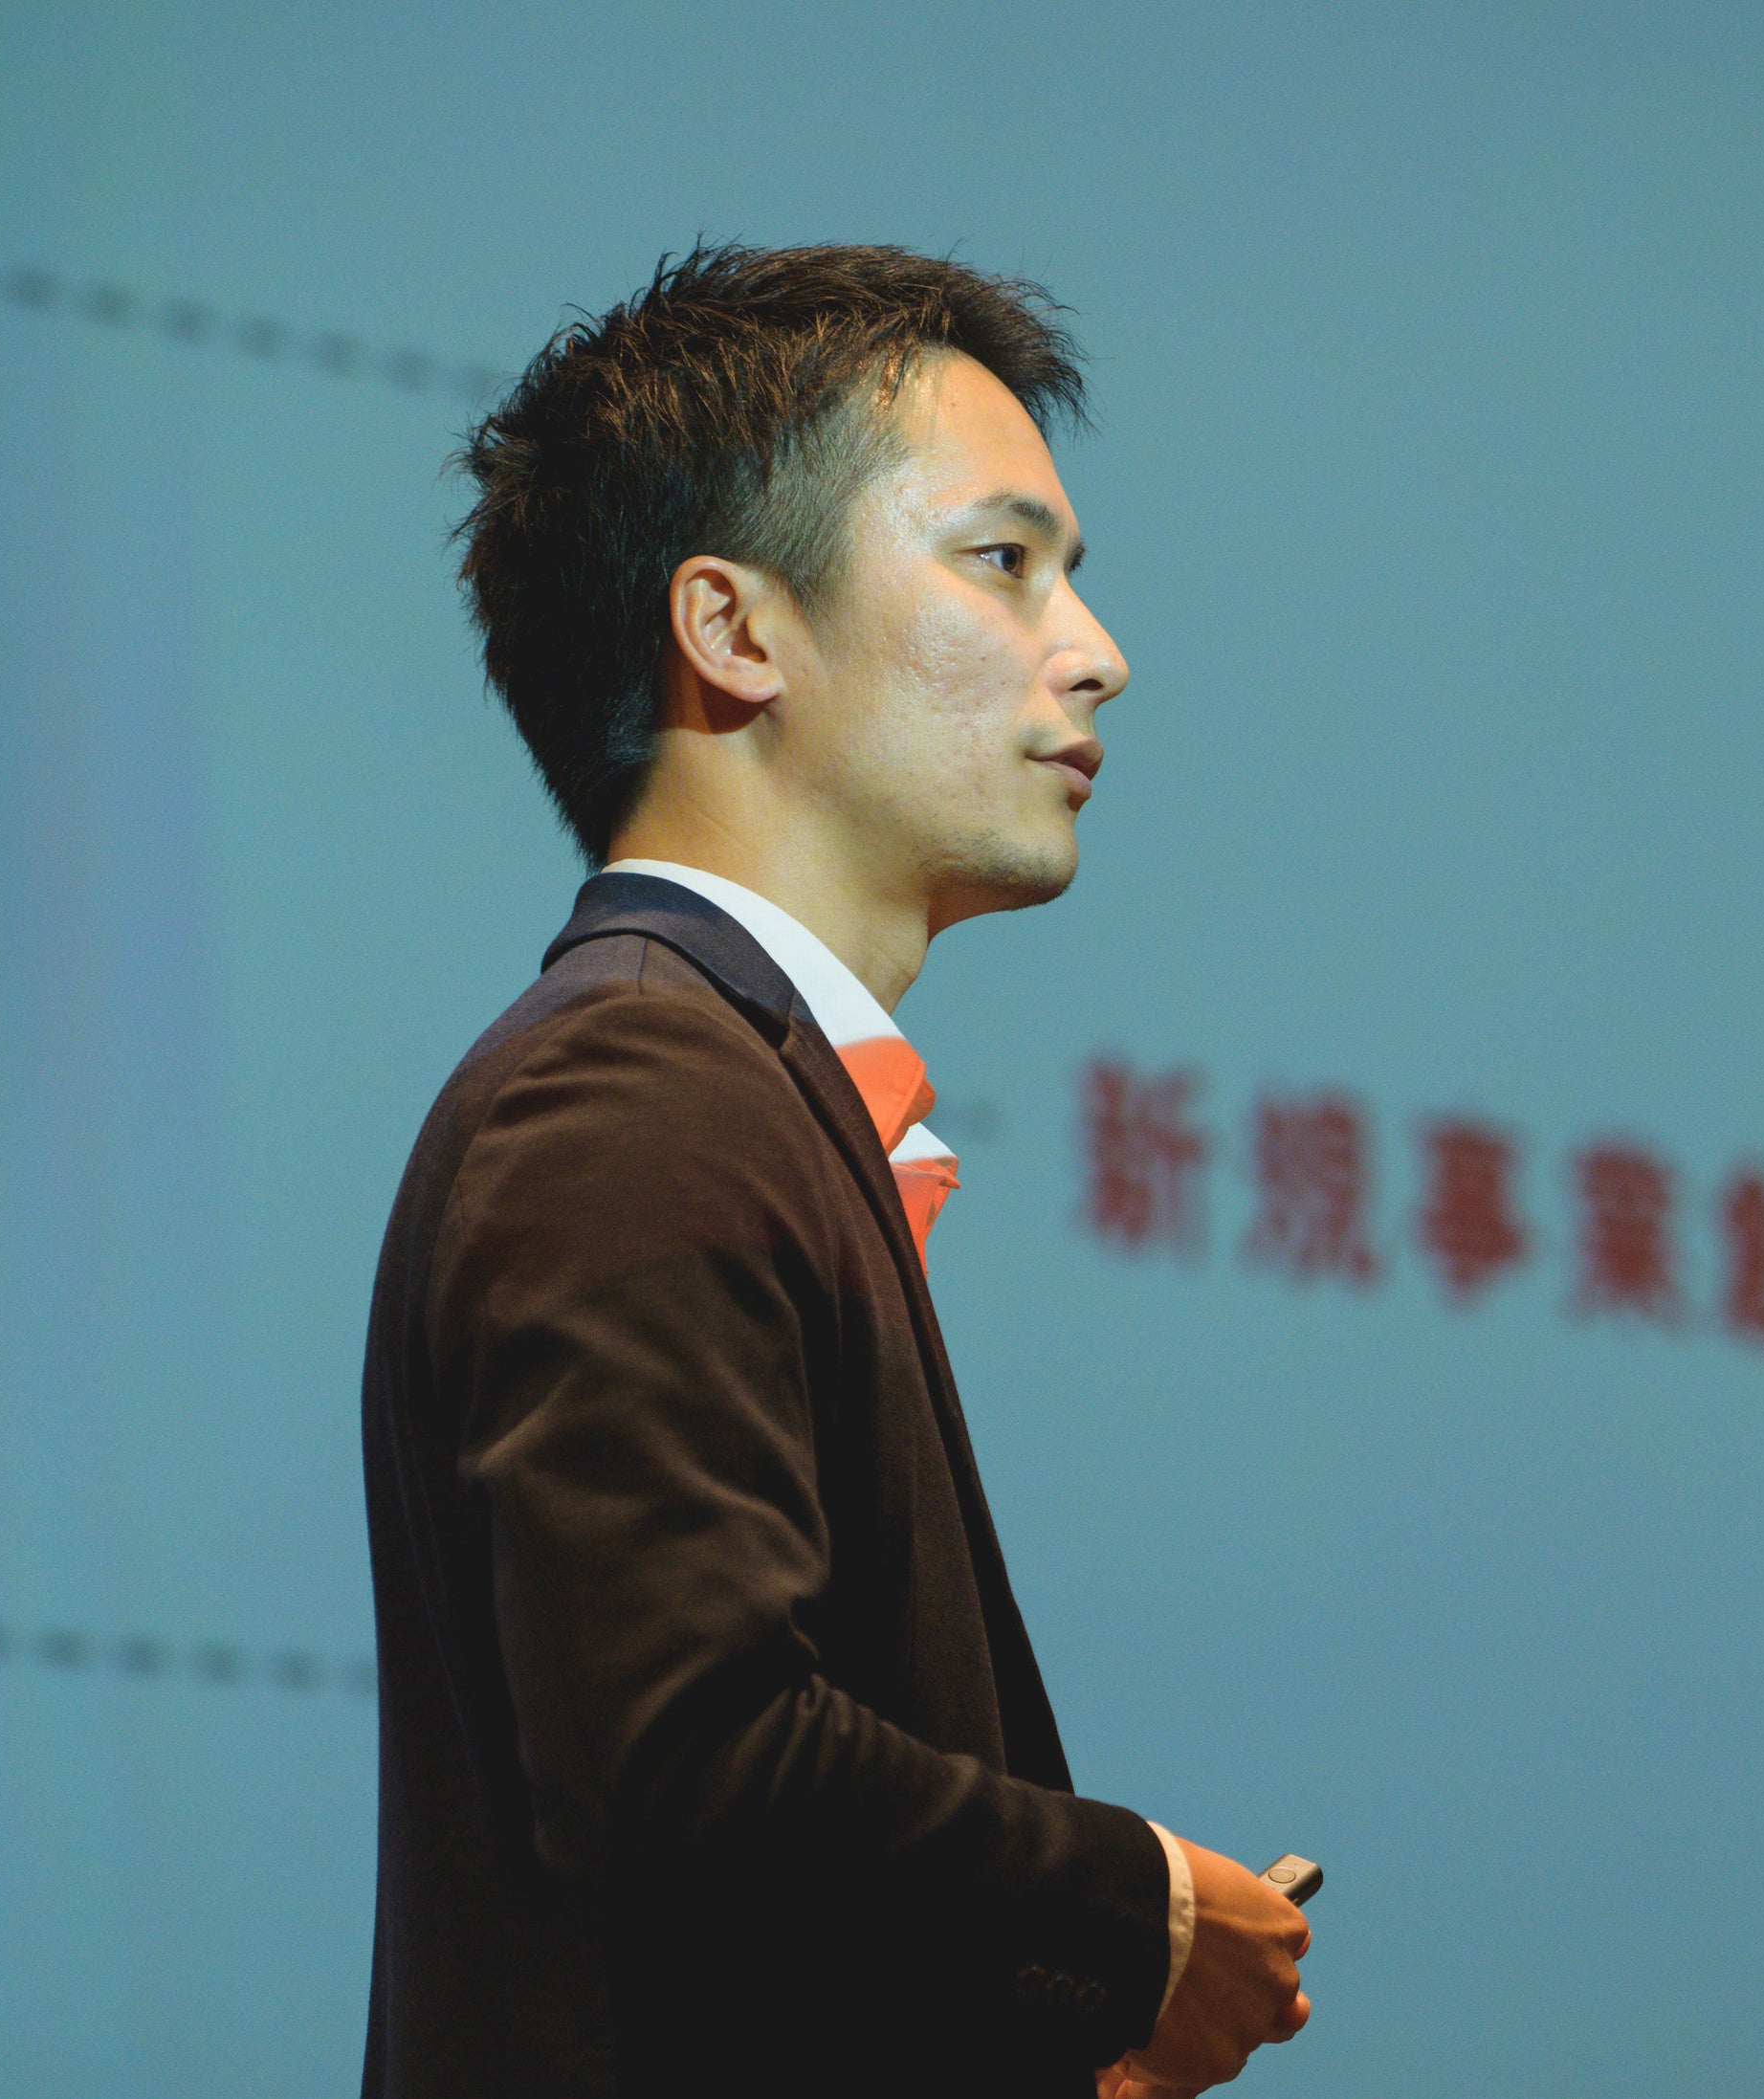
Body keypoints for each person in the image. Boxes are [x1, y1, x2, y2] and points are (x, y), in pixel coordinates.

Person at [359, 244, 1312, 2097]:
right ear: (733, 630)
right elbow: (683, 1756)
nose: (1096, 650)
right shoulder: (639, 1086)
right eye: (1002, 560)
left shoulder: (712, 1079)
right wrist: (1132, 1914)